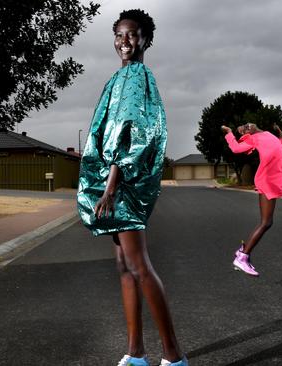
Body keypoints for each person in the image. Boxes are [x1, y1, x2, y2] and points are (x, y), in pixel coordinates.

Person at [76, 9, 187, 366]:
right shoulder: (121, 77)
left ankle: (174, 356)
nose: (125, 41)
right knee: (125, 266)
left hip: (121, 182)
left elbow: (130, 132)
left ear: (146, 40)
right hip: (114, 180)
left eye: (133, 35)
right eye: (120, 35)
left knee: (139, 265)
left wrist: (110, 185)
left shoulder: (136, 77)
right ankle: (136, 352)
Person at [221, 122, 282, 276]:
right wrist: (229, 133)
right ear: (248, 133)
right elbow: (235, 148)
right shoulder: (254, 138)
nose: (247, 126)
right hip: (267, 180)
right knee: (266, 222)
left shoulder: (268, 135)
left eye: (247, 124)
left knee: (268, 222)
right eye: (245, 128)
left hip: (275, 179)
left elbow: (279, 149)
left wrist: (280, 135)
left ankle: (243, 253)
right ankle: (242, 257)